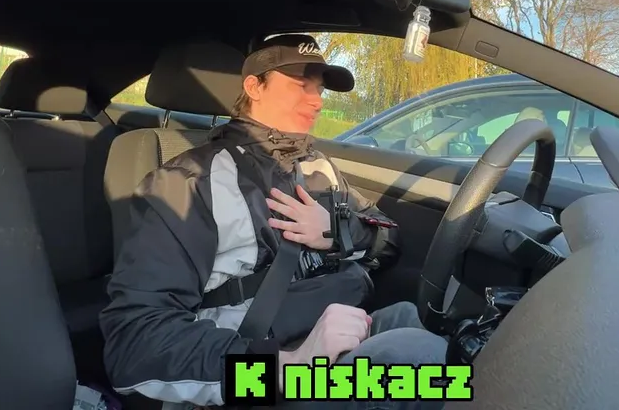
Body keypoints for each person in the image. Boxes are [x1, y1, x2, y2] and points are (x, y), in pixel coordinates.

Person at [100, 34, 448, 410]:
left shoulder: (318, 166)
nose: (317, 100)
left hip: (334, 333)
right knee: (420, 359)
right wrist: (286, 367)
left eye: (319, 88)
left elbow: (389, 239)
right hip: (259, 373)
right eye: (301, 85)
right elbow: (134, 344)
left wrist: (335, 231)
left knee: (410, 322)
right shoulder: (188, 182)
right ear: (254, 87)